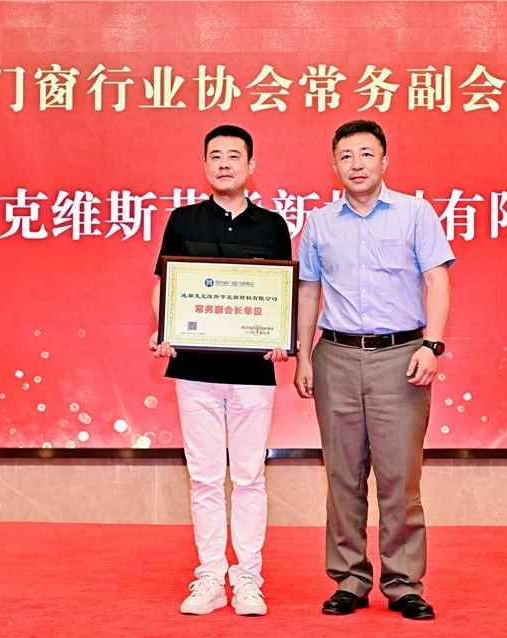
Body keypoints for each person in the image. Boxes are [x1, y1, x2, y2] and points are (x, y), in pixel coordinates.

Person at [293, 120, 454, 620]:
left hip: (400, 358)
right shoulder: (320, 223)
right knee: (343, 476)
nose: (356, 164)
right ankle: (349, 579)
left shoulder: (414, 213)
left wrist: (433, 345)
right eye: (346, 156)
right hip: (336, 356)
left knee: (399, 477)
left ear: (385, 161)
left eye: (366, 154)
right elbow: (308, 291)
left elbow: (438, 280)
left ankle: (404, 583)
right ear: (334, 165)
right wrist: (303, 355)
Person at [149, 124, 292, 616]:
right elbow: (165, 287)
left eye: (234, 155)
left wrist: (281, 338)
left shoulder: (272, 226)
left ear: (251, 165)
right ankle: (210, 576)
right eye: (215, 155)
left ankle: (248, 578)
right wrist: (164, 329)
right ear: (204, 165)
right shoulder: (183, 220)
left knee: (249, 477)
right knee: (205, 478)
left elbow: (281, 296)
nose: (225, 163)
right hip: (194, 371)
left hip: (253, 373)